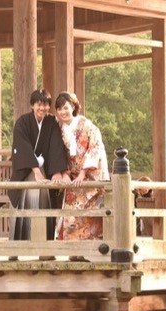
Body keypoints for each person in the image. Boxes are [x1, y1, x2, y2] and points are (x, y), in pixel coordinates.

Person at [9, 89, 69, 240]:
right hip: (27, 170)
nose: (42, 108)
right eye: (39, 104)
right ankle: (18, 247)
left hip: (45, 171)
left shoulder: (51, 122)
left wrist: (57, 171)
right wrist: (36, 171)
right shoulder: (22, 122)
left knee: (44, 202)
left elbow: (56, 144)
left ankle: (44, 245)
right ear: (32, 105)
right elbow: (23, 147)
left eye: (46, 105)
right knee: (24, 204)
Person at [52, 91, 109, 240]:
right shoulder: (59, 128)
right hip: (72, 175)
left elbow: (95, 148)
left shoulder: (86, 125)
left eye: (65, 108)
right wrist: (65, 173)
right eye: (59, 109)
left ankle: (87, 246)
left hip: (89, 174)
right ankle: (73, 249)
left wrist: (83, 173)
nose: (62, 112)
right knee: (70, 209)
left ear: (73, 106)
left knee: (89, 211)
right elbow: (60, 152)